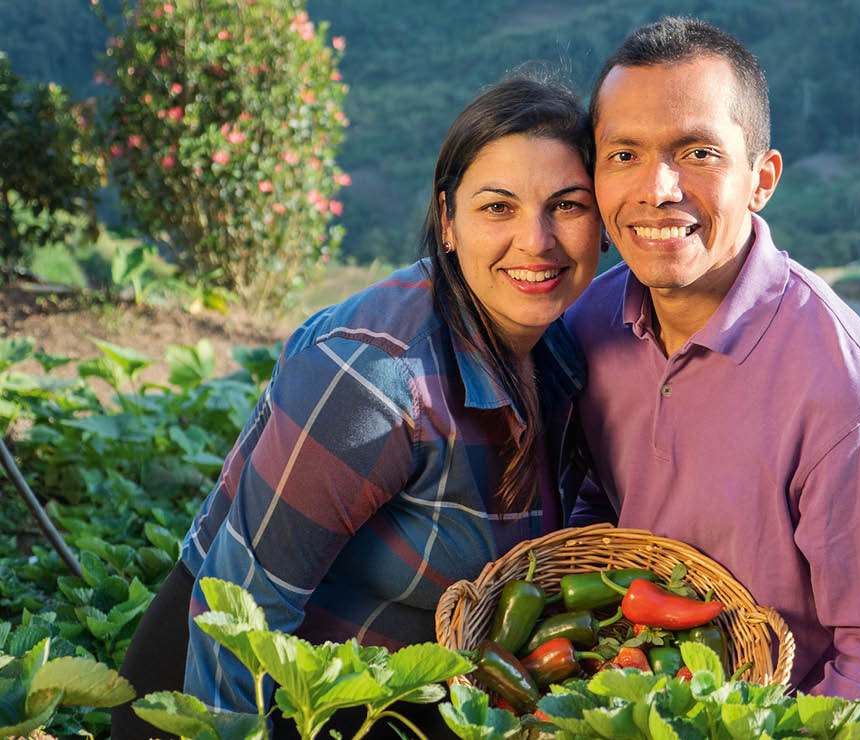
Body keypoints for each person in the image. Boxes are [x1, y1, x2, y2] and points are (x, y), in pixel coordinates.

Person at [112, 73, 602, 739]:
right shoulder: (376, 376)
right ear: (447, 221)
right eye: (498, 208)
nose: (537, 240)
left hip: (389, 702)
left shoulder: (566, 356)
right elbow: (241, 622)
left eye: (567, 206)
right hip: (238, 703)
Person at [565, 17, 860, 706]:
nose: (657, 189)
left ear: (761, 179)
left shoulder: (848, 394)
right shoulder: (587, 325)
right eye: (624, 154)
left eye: (698, 153)